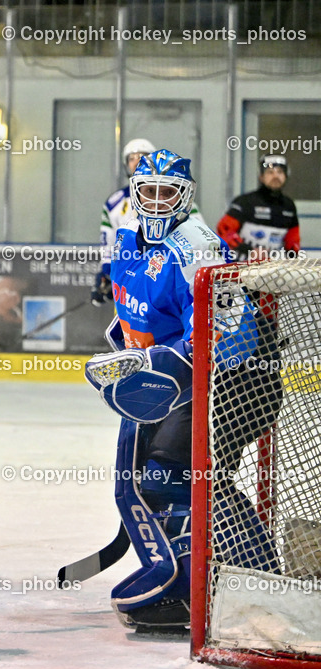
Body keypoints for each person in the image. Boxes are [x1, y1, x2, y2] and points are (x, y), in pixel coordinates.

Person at [83, 150, 233, 633]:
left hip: (212, 383)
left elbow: (229, 333)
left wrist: (165, 362)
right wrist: (125, 349)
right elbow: (135, 310)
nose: (155, 201)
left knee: (167, 479)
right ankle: (177, 578)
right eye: (147, 190)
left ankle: (203, 586)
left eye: (167, 192)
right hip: (158, 383)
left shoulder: (198, 247)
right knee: (130, 486)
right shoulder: (130, 235)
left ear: (185, 197)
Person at [91, 138, 201, 306]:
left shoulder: (179, 199)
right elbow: (110, 242)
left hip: (168, 276)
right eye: (132, 157)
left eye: (142, 157)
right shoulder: (114, 203)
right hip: (132, 277)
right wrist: (108, 272)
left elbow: (198, 233)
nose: (136, 161)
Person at [216, 154, 300, 261]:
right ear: (261, 176)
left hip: (271, 269)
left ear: (286, 176)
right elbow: (223, 231)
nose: (275, 176)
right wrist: (250, 250)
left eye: (280, 172)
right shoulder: (245, 202)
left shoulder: (289, 206)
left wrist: (294, 260)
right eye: (270, 172)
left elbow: (293, 243)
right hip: (237, 267)